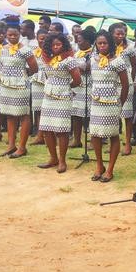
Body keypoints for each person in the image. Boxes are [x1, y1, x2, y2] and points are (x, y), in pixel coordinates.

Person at [38, 33, 81, 173]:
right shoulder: (47, 59)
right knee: (46, 128)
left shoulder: (69, 60)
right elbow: (46, 75)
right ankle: (53, 158)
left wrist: (66, 87)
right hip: (48, 96)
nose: (55, 47)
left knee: (61, 130)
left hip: (63, 97)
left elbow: (77, 80)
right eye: (53, 45)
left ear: (64, 45)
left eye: (59, 44)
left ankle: (62, 160)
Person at [89, 30, 129, 182]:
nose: (102, 46)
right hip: (96, 102)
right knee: (95, 134)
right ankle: (99, 165)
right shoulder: (93, 60)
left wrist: (121, 103)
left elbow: (125, 85)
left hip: (112, 103)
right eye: (99, 43)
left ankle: (110, 169)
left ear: (110, 44)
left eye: (105, 43)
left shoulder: (118, 61)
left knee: (113, 135)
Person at [0, 24, 39, 159]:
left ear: (19, 35)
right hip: (6, 85)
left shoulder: (25, 49)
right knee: (9, 114)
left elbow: (34, 67)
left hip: (20, 86)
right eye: (9, 35)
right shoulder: (3, 49)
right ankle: (11, 145)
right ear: (6, 35)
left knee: (23, 115)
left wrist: (25, 73)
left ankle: (22, 147)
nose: (12, 37)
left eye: (15, 35)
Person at [111, 22, 136, 156]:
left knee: (126, 114)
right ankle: (113, 141)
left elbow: (134, 66)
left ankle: (127, 143)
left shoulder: (130, 48)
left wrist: (129, 80)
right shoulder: (108, 47)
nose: (121, 36)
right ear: (112, 34)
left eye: (123, 33)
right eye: (118, 33)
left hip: (126, 84)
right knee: (113, 113)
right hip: (112, 84)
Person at [70, 26, 94, 149]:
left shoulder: (94, 53)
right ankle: (77, 139)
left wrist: (75, 67)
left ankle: (93, 140)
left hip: (88, 86)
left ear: (88, 41)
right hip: (77, 86)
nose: (78, 43)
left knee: (89, 115)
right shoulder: (77, 53)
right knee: (76, 114)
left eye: (80, 40)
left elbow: (86, 67)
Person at [29, 29, 48, 145]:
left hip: (46, 82)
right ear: (37, 39)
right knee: (37, 109)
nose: (43, 41)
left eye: (46, 38)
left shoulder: (51, 52)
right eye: (41, 38)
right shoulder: (34, 51)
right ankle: (39, 135)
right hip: (36, 81)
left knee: (45, 110)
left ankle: (46, 135)